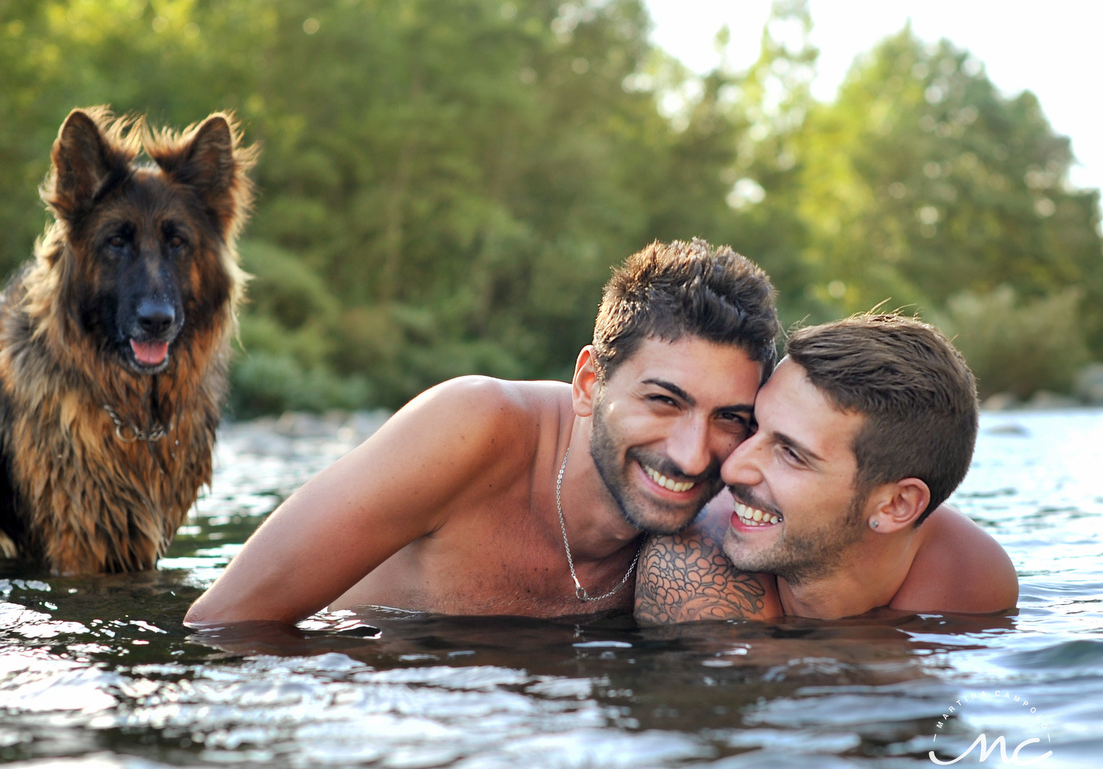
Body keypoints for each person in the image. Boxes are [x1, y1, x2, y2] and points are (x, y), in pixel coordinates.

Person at [184, 239, 782, 626]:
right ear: (588, 383)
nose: (691, 453)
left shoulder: (734, 525)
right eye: (662, 400)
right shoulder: (473, 429)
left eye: (729, 417)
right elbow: (221, 625)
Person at [633, 313, 1019, 625]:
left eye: (791, 454)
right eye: (753, 427)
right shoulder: (691, 563)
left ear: (896, 505)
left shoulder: (970, 579)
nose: (732, 469)